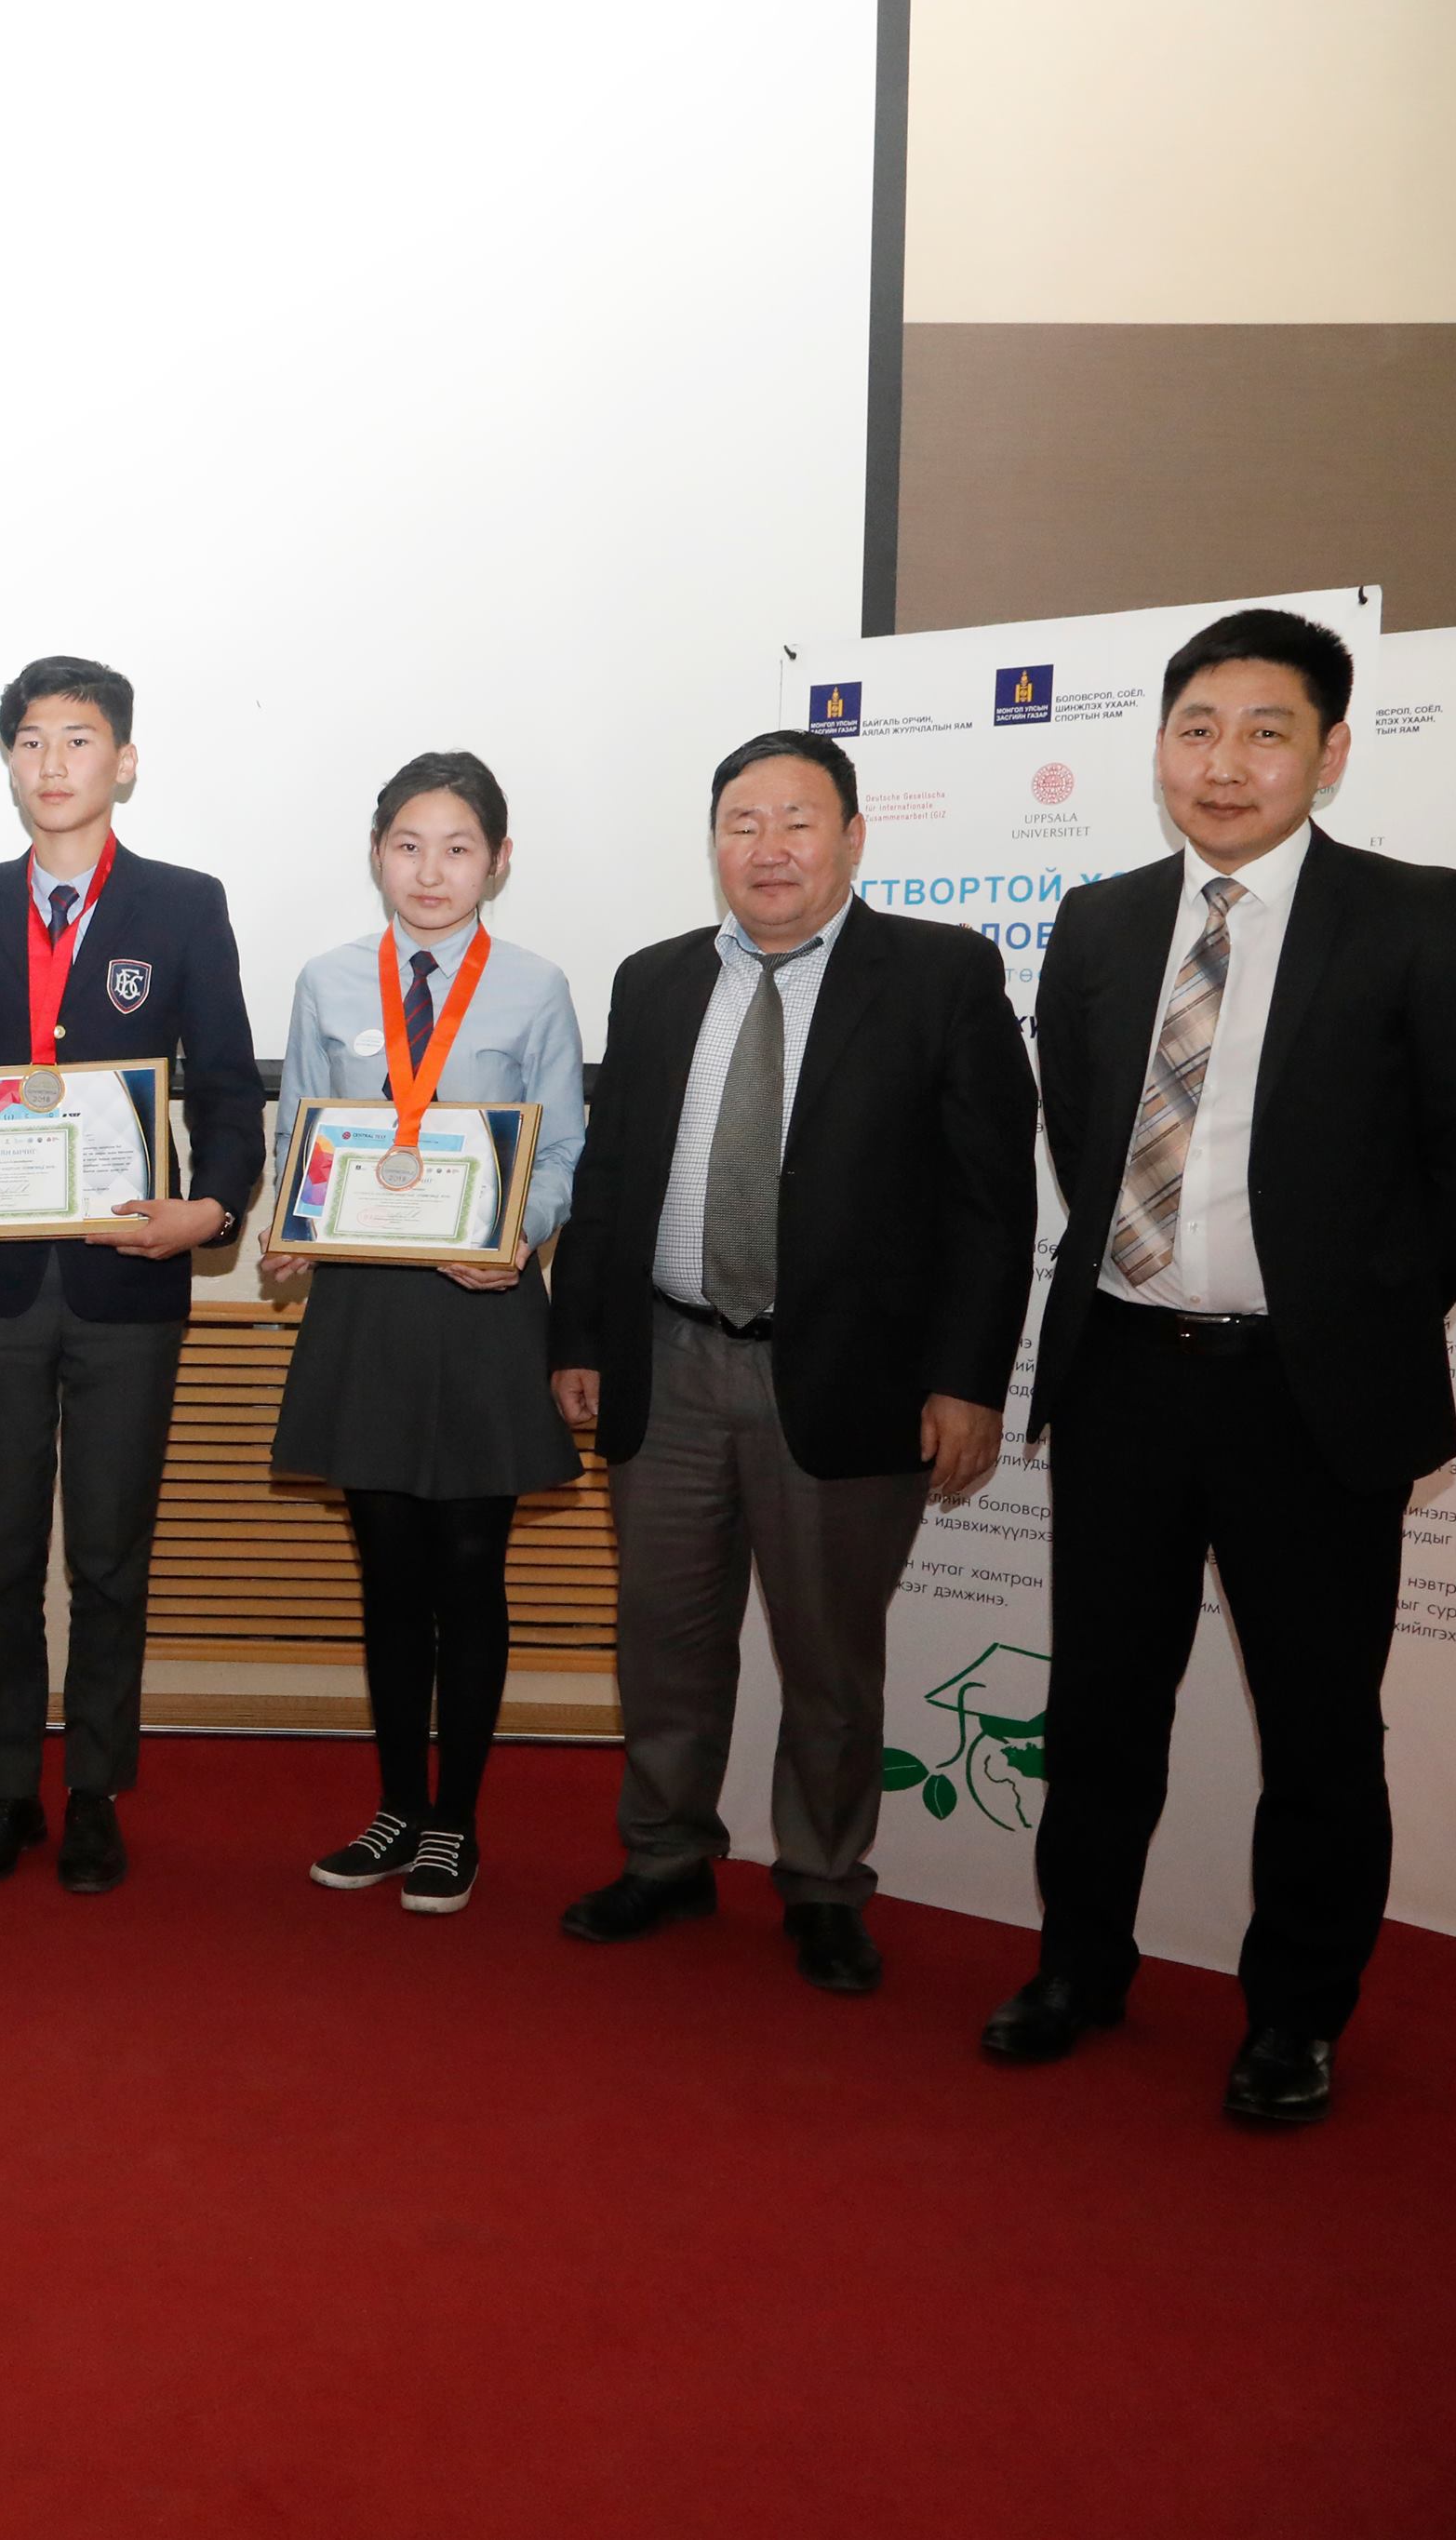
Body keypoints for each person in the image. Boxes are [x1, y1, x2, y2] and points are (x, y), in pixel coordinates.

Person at [988, 609, 1456, 2124]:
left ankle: (1295, 2015)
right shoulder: (1098, 922)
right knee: (1100, 1706)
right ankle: (1079, 1967)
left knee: (1318, 1726)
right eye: (1196, 729)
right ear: (1160, 746)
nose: (1224, 763)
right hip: (1121, 1378)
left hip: (1307, 1397)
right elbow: (1082, 1123)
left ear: (1330, 751)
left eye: (1265, 730)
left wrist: (1355, 1318)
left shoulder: (1414, 917)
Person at [548, 730, 1033, 1993]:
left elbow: (991, 1202)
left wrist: (967, 1380)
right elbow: (610, 1174)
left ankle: (821, 1880)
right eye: (741, 823)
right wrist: (579, 1336)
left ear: (853, 837)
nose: (768, 848)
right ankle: (666, 1855)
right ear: (713, 843)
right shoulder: (655, 980)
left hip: (846, 1376)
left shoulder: (939, 974)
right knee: (665, 1640)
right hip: (667, 1359)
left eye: (797, 821)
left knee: (829, 1658)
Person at [0, 656, 260, 1894]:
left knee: (109, 1555)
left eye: (80, 739)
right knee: (0, 1551)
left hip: (127, 1284)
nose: (54, 764)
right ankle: (7, 1788)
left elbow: (226, 1089)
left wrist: (210, 1211)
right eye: (32, 741)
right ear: (9, 763)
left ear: (125, 761)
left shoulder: (183, 905)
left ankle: (95, 1787)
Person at [266, 752, 584, 1916]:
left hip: (482, 1304)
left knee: (468, 1570)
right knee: (388, 1573)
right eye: (408, 845)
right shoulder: (326, 981)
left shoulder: (535, 987)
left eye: (458, 848)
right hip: (363, 1307)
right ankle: (398, 1806)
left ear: (498, 861)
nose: (430, 871)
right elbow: (299, 1132)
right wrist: (289, 1227)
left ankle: (456, 1822)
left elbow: (562, 1152)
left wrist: (519, 1236)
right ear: (376, 855)